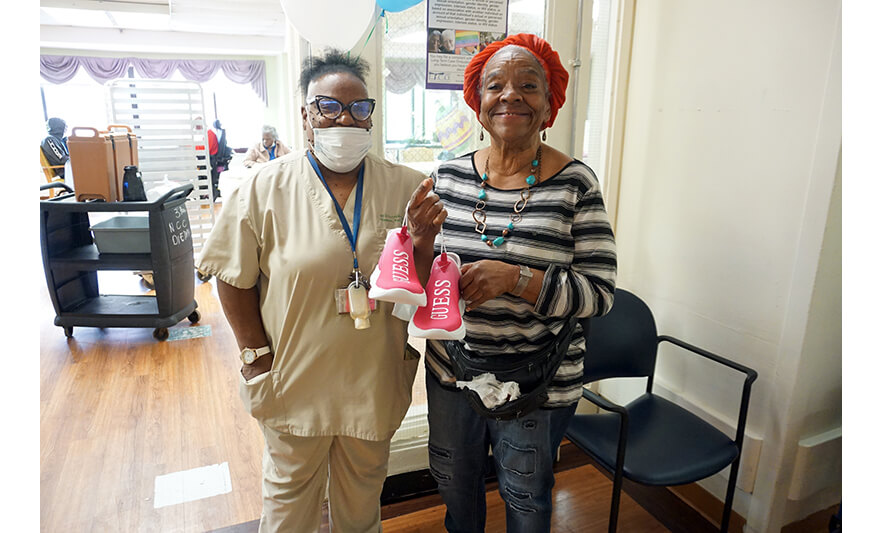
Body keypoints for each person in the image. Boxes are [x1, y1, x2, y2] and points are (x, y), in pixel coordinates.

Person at [195, 50, 446, 532]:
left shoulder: (407, 187)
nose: (344, 119)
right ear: (306, 115)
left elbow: (417, 289)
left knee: (362, 503)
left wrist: (421, 242)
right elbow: (230, 276)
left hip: (371, 376)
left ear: (371, 115)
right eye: (328, 106)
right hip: (295, 376)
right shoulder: (263, 188)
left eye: (358, 108)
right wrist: (255, 355)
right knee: (289, 507)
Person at [423, 33, 617, 532]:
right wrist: (417, 246)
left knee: (526, 497)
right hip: (451, 370)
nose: (510, 95)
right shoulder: (447, 178)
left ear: (549, 105)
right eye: (496, 85)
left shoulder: (575, 184)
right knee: (453, 481)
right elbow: (422, 275)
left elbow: (599, 294)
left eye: (528, 85)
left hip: (535, 381)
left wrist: (516, 278)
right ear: (479, 102)